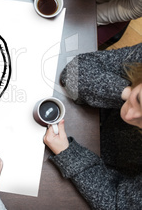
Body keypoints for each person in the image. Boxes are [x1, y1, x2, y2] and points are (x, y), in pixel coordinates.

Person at [43, 43, 142, 209]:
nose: (129, 116)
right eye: (139, 99)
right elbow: (74, 72)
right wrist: (125, 93)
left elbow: (117, 205)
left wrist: (69, 155)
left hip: (109, 171)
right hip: (90, 121)